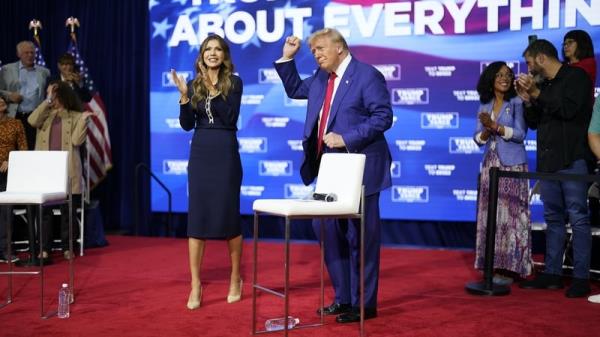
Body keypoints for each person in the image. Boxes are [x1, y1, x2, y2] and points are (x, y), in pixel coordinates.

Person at [274, 28, 393, 323]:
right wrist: (287, 59)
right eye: (313, 50)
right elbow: (294, 90)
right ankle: (343, 298)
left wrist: (347, 138)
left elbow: (383, 116)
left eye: (320, 48)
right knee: (324, 228)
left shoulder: (367, 75)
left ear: (340, 48)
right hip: (329, 168)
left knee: (359, 237)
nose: (316, 54)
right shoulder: (320, 78)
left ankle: (364, 304)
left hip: (360, 166)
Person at [170, 34, 243, 310]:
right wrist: (185, 96)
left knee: (229, 216)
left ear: (224, 55)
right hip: (200, 153)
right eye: (207, 50)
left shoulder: (234, 82)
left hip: (225, 151)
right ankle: (196, 284)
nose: (212, 53)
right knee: (197, 219)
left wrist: (211, 85)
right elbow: (187, 124)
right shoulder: (193, 84)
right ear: (201, 55)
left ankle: (235, 278)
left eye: (217, 49)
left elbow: (229, 116)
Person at [515, 39, 594, 298]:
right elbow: (536, 122)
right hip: (548, 161)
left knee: (578, 218)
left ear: (541, 59)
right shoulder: (544, 86)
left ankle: (580, 277)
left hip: (573, 159)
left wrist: (537, 94)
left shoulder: (577, 77)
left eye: (529, 62)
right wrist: (528, 100)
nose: (528, 68)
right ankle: (552, 273)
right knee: (552, 218)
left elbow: (568, 110)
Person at [473, 61, 531, 285]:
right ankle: (493, 263)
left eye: (508, 74)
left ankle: (511, 266)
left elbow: (520, 134)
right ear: (491, 79)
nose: (505, 78)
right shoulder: (485, 104)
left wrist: (496, 127)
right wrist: (487, 130)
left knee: (512, 218)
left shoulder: (517, 102)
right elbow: (477, 139)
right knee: (492, 217)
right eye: (499, 75)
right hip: (491, 165)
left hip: (512, 165)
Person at [28, 81, 92, 262]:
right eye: (49, 95)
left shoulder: (75, 116)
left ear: (62, 95)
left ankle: (68, 247)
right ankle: (44, 248)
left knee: (68, 211)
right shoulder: (44, 114)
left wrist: (84, 121)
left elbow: (77, 141)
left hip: (67, 169)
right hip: (45, 170)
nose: (51, 98)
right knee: (45, 212)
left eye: (53, 95)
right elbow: (31, 121)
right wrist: (47, 101)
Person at [0, 40, 50, 150]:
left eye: (32, 52)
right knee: (14, 149)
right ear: (18, 54)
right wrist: (9, 95)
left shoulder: (44, 72)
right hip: (14, 116)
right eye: (26, 53)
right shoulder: (6, 69)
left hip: (35, 117)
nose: (30, 55)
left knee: (33, 148)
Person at [0, 95, 28, 263]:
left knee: (5, 212)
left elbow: (23, 149)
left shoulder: (15, 123)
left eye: (3, 100)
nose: (1, 102)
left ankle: (6, 249)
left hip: (7, 172)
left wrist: (10, 161)